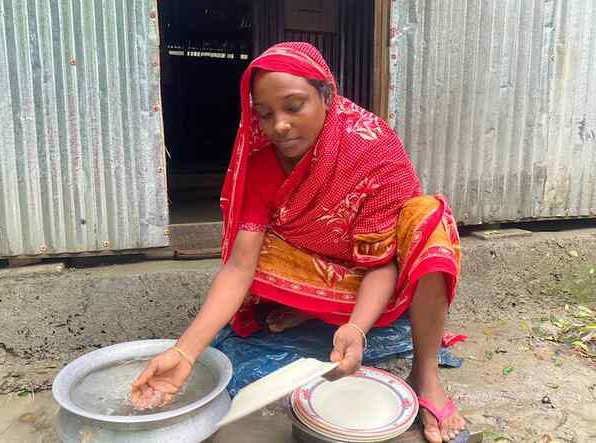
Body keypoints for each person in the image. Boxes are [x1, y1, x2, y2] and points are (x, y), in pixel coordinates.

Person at [132, 42, 466, 443]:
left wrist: (357, 330)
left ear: (326, 94)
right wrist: (185, 353)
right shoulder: (260, 164)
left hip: (380, 282)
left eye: (294, 106)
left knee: (432, 222)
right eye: (265, 114)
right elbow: (240, 268)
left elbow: (382, 263)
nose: (280, 126)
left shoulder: (373, 147)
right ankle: (313, 312)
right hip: (320, 277)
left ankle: (425, 375)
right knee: (255, 245)